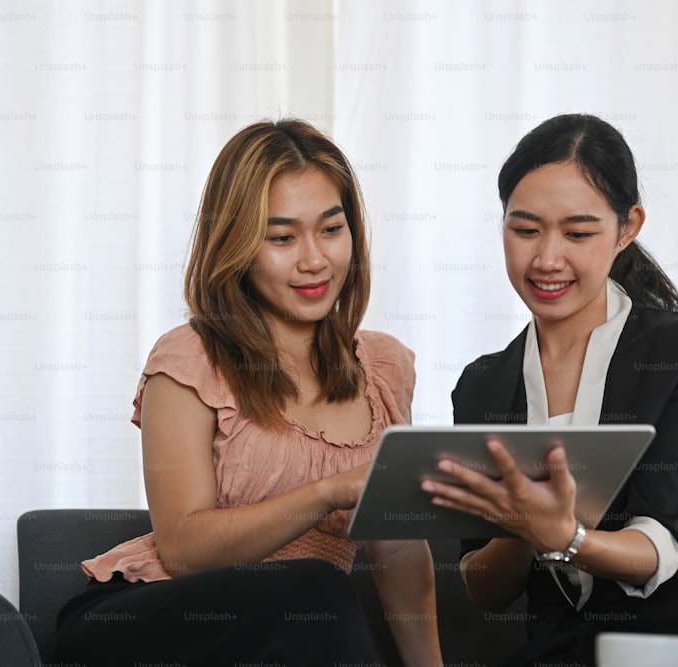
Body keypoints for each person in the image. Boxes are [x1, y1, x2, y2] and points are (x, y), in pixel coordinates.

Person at [55, 119, 443, 666]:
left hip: (291, 638)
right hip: (146, 619)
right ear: (236, 244)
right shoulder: (190, 358)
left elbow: (397, 547)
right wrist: (327, 491)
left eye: (331, 229)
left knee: (312, 598)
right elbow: (184, 550)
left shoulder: (383, 368)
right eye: (282, 237)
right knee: (313, 589)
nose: (314, 259)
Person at [420, 114, 678, 666]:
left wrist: (566, 536)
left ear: (627, 228)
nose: (547, 259)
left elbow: (659, 543)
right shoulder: (483, 385)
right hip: (567, 632)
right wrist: (524, 529)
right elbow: (484, 588)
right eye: (525, 230)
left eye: (578, 233)